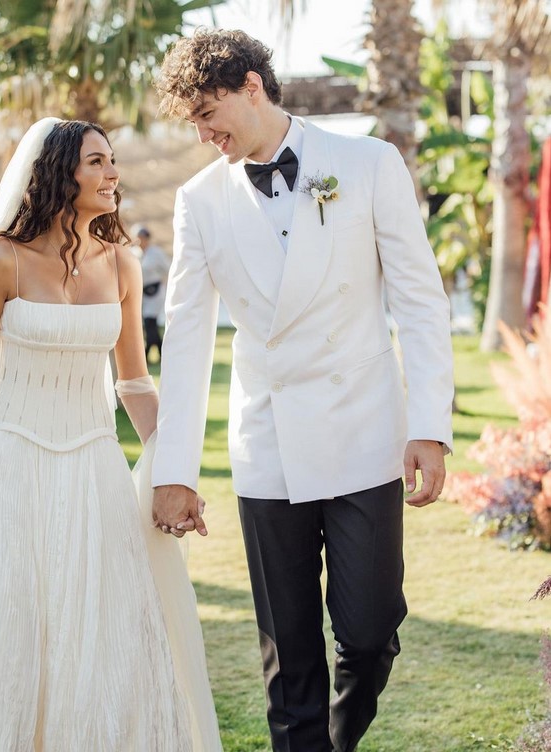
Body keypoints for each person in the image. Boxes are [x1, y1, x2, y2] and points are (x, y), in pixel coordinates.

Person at [151, 29, 454, 752]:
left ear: (252, 86)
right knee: (289, 657)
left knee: (371, 632)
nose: (202, 135)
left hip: (365, 434)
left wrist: (429, 425)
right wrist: (175, 472)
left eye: (207, 113)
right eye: (192, 122)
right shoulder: (199, 201)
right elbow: (187, 341)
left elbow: (419, 300)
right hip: (269, 447)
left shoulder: (369, 163)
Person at [0, 118, 221, 752]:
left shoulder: (122, 263)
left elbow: (134, 383)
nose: (112, 173)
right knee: (6, 630)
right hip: (6, 464)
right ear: (57, 172)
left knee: (99, 627)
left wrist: (174, 469)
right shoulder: (1, 260)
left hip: (94, 468)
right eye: (96, 161)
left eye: (112, 160)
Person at [133, 225, 171, 362]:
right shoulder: (134, 253)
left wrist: (164, 282)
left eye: (143, 238)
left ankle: (147, 353)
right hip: (141, 293)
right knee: (148, 323)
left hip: (155, 292)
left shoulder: (156, 253)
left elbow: (168, 269)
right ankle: (160, 353)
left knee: (150, 321)